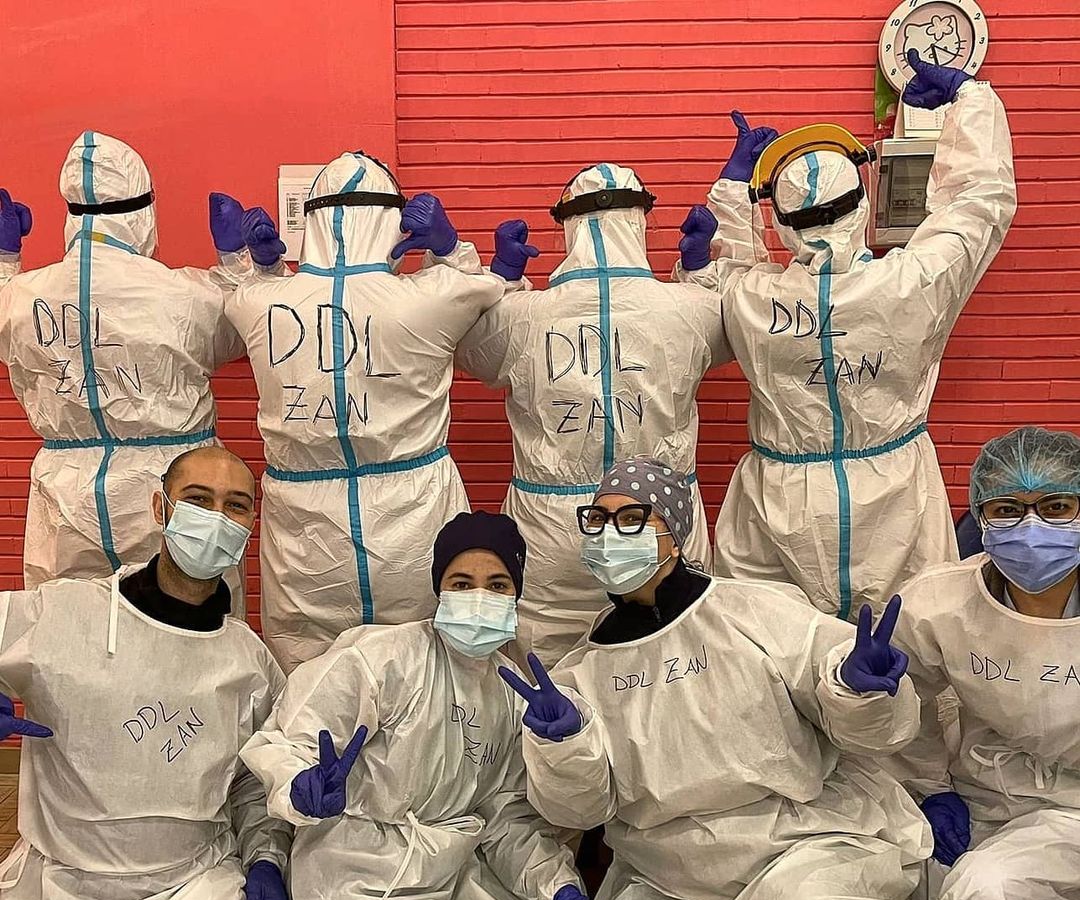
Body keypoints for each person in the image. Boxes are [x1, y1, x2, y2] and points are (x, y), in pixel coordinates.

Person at [498, 456, 931, 900]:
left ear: (674, 534)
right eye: (598, 519)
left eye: (631, 518)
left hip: (804, 845)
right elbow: (580, 810)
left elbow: (857, 715)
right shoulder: (579, 674)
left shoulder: (754, 611)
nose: (609, 534)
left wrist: (857, 688)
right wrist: (565, 746)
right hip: (671, 881)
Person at [241, 510, 614, 900]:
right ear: (438, 587)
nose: (478, 599)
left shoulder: (510, 693)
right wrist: (301, 789)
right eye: (462, 583)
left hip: (440, 880)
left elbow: (506, 822)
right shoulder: (381, 658)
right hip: (352, 895)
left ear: (518, 596)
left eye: (497, 585)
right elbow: (287, 743)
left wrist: (564, 894)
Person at [677, 51, 1017, 622]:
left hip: (779, 498)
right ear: (862, 203)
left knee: (773, 644)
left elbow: (714, 277)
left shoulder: (750, 297)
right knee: (906, 640)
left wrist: (733, 192)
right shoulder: (913, 281)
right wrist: (970, 100)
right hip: (896, 496)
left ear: (783, 223)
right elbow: (979, 204)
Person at [0, 444, 291, 900]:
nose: (216, 519)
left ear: (251, 526)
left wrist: (267, 858)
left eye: (236, 506)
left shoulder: (249, 662)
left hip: (188, 891)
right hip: (64, 895)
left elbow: (252, 785)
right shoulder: (61, 614)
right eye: (198, 500)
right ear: (161, 508)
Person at [455, 119, 776, 666]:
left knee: (549, 665)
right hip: (657, 521)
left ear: (566, 227)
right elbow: (747, 313)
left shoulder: (521, 317)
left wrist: (503, 278)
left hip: (551, 526)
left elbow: (462, 342)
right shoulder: (687, 310)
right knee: (668, 656)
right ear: (641, 222)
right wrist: (702, 264)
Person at [225, 152, 505, 672]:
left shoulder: (258, 301)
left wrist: (265, 268)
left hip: (305, 528)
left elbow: (238, 296)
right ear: (392, 223)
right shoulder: (427, 299)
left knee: (306, 670)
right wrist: (448, 248)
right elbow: (488, 290)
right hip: (412, 512)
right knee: (427, 662)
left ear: (310, 221)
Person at [0, 131, 268, 611]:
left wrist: (5, 262)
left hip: (67, 491)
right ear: (144, 209)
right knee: (188, 621)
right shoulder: (184, 295)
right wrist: (238, 263)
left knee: (65, 623)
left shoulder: (21, 297)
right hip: (170, 485)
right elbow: (247, 325)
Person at [890, 426, 1080, 900]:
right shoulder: (940, 601)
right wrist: (929, 787)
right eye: (1007, 509)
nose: (1032, 528)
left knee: (986, 895)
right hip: (981, 791)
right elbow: (908, 699)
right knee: (926, 899)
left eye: (1057, 506)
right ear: (978, 516)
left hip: (1075, 805)